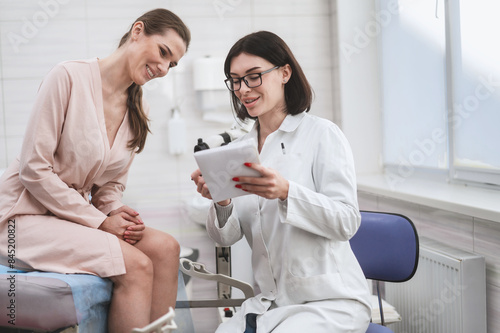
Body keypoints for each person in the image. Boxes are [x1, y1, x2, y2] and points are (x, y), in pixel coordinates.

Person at [0, 8, 190, 333]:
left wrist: (117, 212)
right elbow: (33, 170)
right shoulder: (68, 77)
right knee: (137, 266)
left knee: (166, 248)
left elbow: (111, 186)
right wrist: (102, 222)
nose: (163, 69)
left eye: (172, 64)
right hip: (20, 219)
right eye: (163, 52)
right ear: (138, 31)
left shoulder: (137, 109)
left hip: (70, 217)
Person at [191, 31, 371, 333]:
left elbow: (347, 222)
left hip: (329, 301)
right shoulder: (240, 150)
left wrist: (287, 192)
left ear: (284, 72)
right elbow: (226, 238)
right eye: (235, 80)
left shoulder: (322, 135)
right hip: (269, 303)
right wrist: (221, 201)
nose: (243, 89)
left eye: (253, 76)